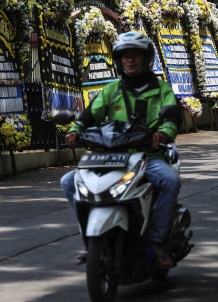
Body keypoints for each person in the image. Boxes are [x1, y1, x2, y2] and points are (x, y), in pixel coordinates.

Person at [60, 31, 181, 268]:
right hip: (112, 157)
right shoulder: (111, 89)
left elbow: (173, 118)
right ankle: (91, 239)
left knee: (170, 181)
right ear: (118, 60)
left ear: (146, 59)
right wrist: (76, 129)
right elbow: (90, 114)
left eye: (135, 55)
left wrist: (163, 133)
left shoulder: (162, 89)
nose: (130, 60)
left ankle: (156, 240)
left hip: (148, 156)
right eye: (125, 55)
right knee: (68, 182)